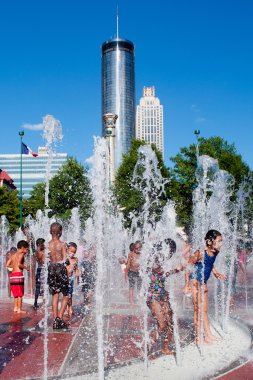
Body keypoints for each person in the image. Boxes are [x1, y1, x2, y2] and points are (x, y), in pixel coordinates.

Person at [189, 229, 226, 345]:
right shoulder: (200, 252)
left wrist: (215, 272)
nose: (221, 244)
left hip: (203, 282)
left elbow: (210, 263)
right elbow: (188, 266)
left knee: (204, 310)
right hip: (195, 282)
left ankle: (208, 335)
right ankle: (198, 338)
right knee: (198, 310)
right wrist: (187, 285)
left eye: (221, 241)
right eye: (219, 241)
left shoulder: (215, 252)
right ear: (210, 242)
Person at [147, 239, 182, 355]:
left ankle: (165, 348)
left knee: (170, 323)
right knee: (161, 324)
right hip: (153, 296)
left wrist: (175, 270)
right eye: (170, 251)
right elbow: (158, 272)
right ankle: (148, 350)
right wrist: (174, 270)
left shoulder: (163, 259)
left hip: (163, 294)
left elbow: (162, 275)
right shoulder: (155, 257)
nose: (171, 254)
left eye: (172, 252)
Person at [48, 222, 69, 329]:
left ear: (50, 232)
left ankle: (55, 320)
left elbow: (47, 258)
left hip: (51, 269)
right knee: (66, 294)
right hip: (60, 269)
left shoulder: (48, 244)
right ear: (60, 232)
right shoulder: (62, 244)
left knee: (55, 295)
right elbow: (65, 259)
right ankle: (60, 318)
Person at [6, 240, 29, 313]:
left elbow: (7, 265)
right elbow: (19, 264)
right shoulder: (21, 254)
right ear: (22, 248)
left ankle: (15, 307)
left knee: (15, 294)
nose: (27, 251)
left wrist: (13, 266)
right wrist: (26, 268)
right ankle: (19, 309)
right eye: (26, 249)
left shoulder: (13, 255)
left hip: (12, 276)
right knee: (20, 294)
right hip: (18, 275)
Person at [125, 241, 142, 305]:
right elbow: (128, 264)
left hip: (139, 273)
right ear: (134, 248)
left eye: (139, 248)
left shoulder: (141, 254)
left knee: (139, 286)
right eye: (136, 248)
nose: (137, 250)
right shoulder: (131, 254)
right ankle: (131, 301)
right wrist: (126, 275)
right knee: (131, 287)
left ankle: (140, 299)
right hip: (131, 272)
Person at [21, 223, 36, 296]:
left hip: (31, 256)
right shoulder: (30, 235)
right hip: (31, 256)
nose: (25, 231)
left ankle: (31, 291)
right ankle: (31, 290)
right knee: (31, 274)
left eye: (25, 229)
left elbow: (28, 245)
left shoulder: (29, 235)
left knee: (31, 274)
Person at [66, 242, 79, 318]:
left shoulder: (75, 259)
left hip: (70, 280)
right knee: (65, 295)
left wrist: (78, 278)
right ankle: (66, 308)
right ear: (67, 250)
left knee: (69, 295)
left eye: (74, 252)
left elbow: (76, 269)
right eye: (71, 251)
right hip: (64, 279)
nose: (72, 254)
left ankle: (70, 307)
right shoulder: (65, 258)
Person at [33, 238, 46, 309]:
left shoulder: (44, 250)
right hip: (40, 270)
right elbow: (39, 260)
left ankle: (44, 303)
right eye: (43, 244)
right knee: (38, 287)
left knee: (45, 287)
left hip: (45, 270)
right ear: (39, 245)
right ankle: (35, 302)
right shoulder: (37, 252)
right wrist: (38, 249)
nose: (44, 245)